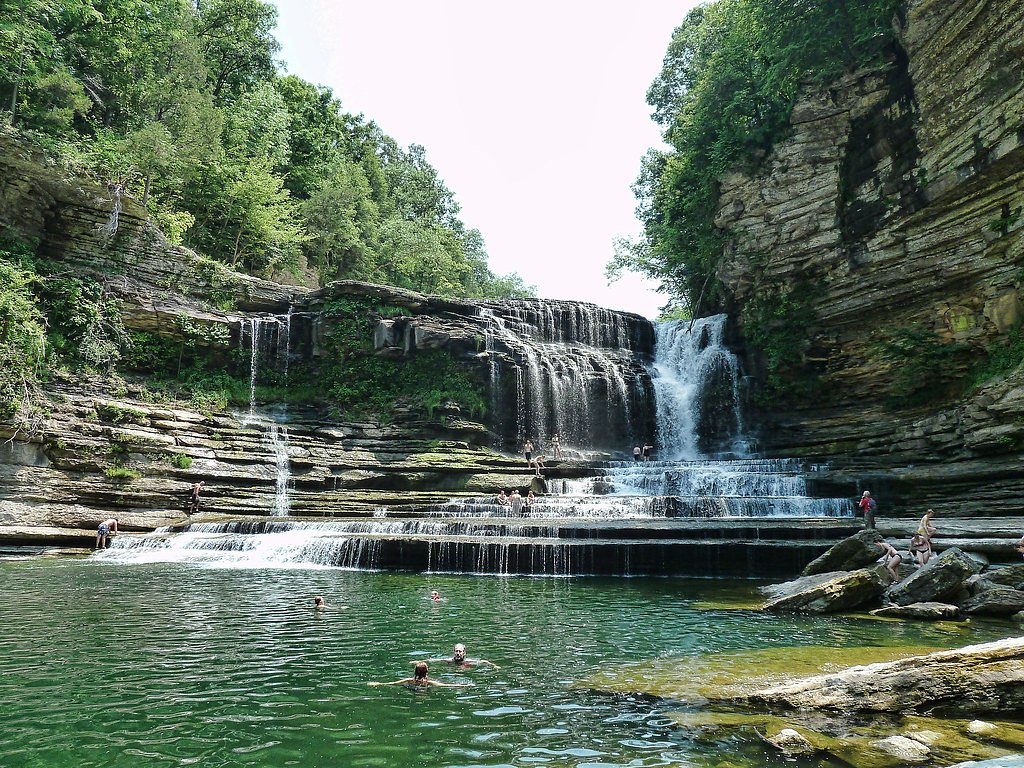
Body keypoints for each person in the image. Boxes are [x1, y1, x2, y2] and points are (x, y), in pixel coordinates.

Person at [369, 661, 472, 688]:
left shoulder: (409, 680)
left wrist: (378, 683)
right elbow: (447, 685)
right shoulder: (430, 682)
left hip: (412, 688)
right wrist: (464, 685)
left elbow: (393, 683)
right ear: (426, 672)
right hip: (425, 689)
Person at [416, 643, 500, 669]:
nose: (458, 653)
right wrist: (418, 662)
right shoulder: (450, 660)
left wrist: (494, 666)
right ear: (454, 652)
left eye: (460, 651)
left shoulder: (468, 661)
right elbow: (434, 660)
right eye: (456, 651)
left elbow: (483, 661)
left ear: (464, 653)